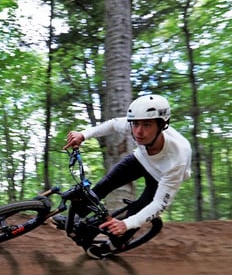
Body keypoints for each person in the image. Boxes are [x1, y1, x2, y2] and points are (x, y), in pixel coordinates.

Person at [54, 94, 192, 259]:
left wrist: (126, 224)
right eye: (135, 124)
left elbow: (160, 204)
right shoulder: (135, 125)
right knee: (105, 184)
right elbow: (112, 125)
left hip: (162, 176)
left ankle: (113, 245)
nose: (139, 131)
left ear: (162, 125)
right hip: (141, 159)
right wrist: (83, 135)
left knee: (136, 212)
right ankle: (77, 219)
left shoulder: (178, 157)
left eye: (147, 125)